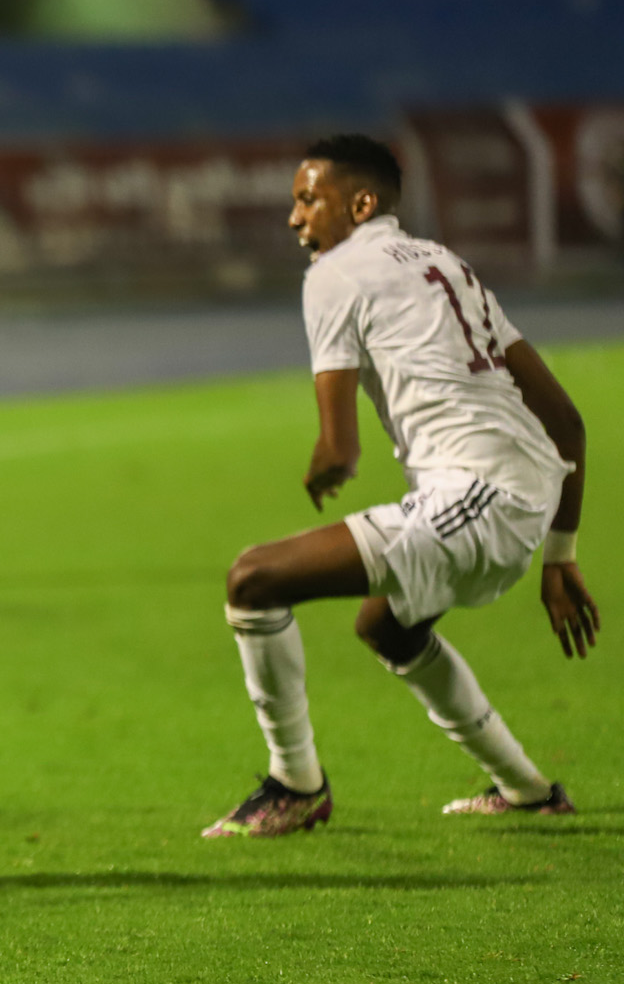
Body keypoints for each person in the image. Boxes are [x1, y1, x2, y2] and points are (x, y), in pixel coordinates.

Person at [204, 134, 598, 838]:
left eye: (307, 198)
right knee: (386, 623)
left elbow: (339, 445)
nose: (295, 218)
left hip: (478, 495)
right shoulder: (449, 265)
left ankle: (296, 783)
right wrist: (561, 557)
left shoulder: (336, 272)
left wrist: (329, 460)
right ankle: (528, 789)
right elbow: (567, 422)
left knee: (252, 578)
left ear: (361, 202)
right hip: (518, 495)